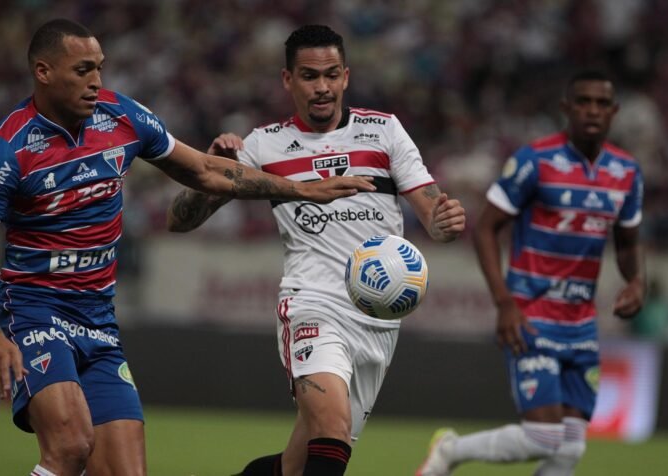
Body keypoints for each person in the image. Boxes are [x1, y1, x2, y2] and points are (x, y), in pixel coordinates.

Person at [0, 19, 374, 476]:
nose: (96, 82)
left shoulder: (121, 116)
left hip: (98, 320)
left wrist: (300, 189)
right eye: (83, 70)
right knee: (71, 447)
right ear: (44, 72)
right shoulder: (10, 146)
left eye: (100, 69)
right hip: (34, 312)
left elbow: (205, 171)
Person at [167, 24, 466, 476]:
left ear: (346, 76)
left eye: (330, 75)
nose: (322, 87)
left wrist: (446, 224)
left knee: (297, 464)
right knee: (332, 426)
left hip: (379, 319)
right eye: (309, 76)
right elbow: (180, 220)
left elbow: (433, 216)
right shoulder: (263, 145)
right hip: (312, 304)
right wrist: (215, 169)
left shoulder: (384, 132)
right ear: (288, 80)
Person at [417, 70, 645, 476]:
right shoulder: (534, 161)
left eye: (601, 103)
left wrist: (636, 281)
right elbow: (486, 229)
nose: (592, 110)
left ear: (614, 112)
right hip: (530, 315)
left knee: (570, 449)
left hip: (581, 324)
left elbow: (627, 241)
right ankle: (451, 451)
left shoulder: (626, 172)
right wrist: (504, 301)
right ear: (566, 108)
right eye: (583, 102)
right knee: (544, 437)